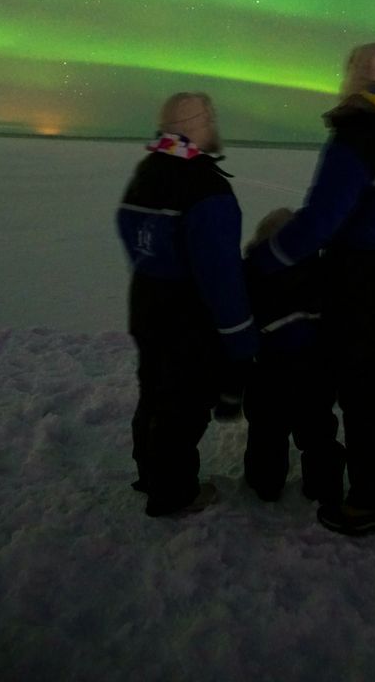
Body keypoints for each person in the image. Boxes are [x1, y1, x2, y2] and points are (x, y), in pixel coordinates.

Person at [247, 43, 375, 536]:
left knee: (363, 384)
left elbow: (319, 220)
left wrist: (266, 259)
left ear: (351, 79)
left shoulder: (357, 136)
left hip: (361, 274)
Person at [116, 92, 257, 517]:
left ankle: (151, 472)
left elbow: (127, 225)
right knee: (183, 404)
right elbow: (221, 276)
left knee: (155, 391)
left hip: (147, 303)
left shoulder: (149, 170)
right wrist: (240, 341)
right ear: (199, 125)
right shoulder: (205, 186)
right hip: (187, 315)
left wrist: (153, 268)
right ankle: (174, 492)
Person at [242, 209, 346, 504]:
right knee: (318, 429)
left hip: (269, 367)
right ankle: (325, 484)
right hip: (316, 365)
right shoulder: (320, 269)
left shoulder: (252, 273)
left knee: (266, 429)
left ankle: (264, 483)